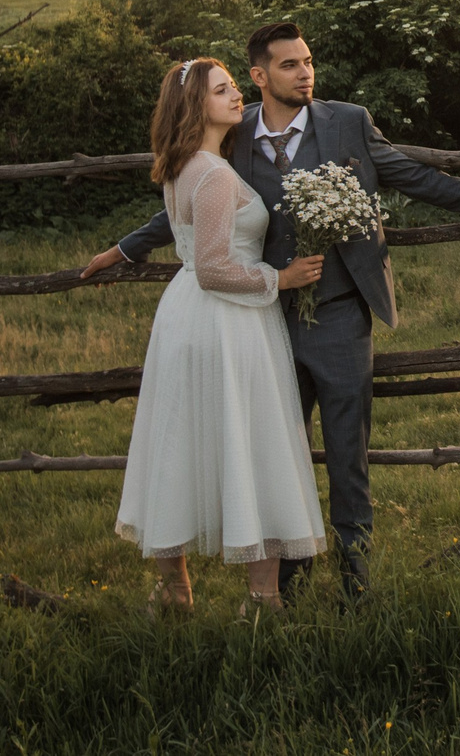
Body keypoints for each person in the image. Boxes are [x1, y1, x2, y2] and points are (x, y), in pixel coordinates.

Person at [84, 21, 460, 600]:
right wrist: (129, 246)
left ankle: (357, 582)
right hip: (263, 322)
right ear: (259, 75)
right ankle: (290, 588)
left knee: (347, 455)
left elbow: (414, 177)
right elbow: (199, 203)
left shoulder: (347, 122)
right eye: (289, 65)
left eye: (308, 62)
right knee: (279, 454)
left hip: (341, 313)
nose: (305, 73)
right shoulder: (235, 132)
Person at [113, 56, 328, 614]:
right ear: (195, 106)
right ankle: (261, 598)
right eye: (223, 90)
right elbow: (211, 266)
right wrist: (279, 278)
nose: (237, 97)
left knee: (184, 442)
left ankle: (176, 590)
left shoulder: (190, 166)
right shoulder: (208, 174)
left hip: (193, 315)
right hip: (225, 315)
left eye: (234, 87)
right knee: (253, 443)